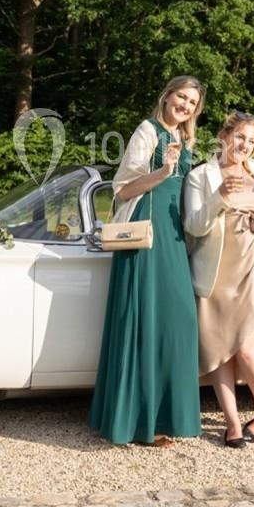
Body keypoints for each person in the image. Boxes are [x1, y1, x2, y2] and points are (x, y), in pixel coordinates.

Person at [89, 76, 205, 446]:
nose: (185, 105)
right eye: (181, 97)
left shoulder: (186, 139)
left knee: (180, 321)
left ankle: (165, 416)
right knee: (148, 322)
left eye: (192, 102)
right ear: (167, 95)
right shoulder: (148, 130)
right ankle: (140, 424)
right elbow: (122, 188)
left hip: (172, 237)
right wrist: (162, 172)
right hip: (146, 239)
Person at [184, 111, 254, 448]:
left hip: (252, 270)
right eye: (240, 137)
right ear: (224, 136)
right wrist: (221, 195)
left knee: (244, 345)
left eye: (252, 141)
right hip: (216, 272)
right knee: (218, 350)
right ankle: (233, 422)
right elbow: (194, 226)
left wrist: (246, 201)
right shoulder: (200, 177)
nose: (245, 145)